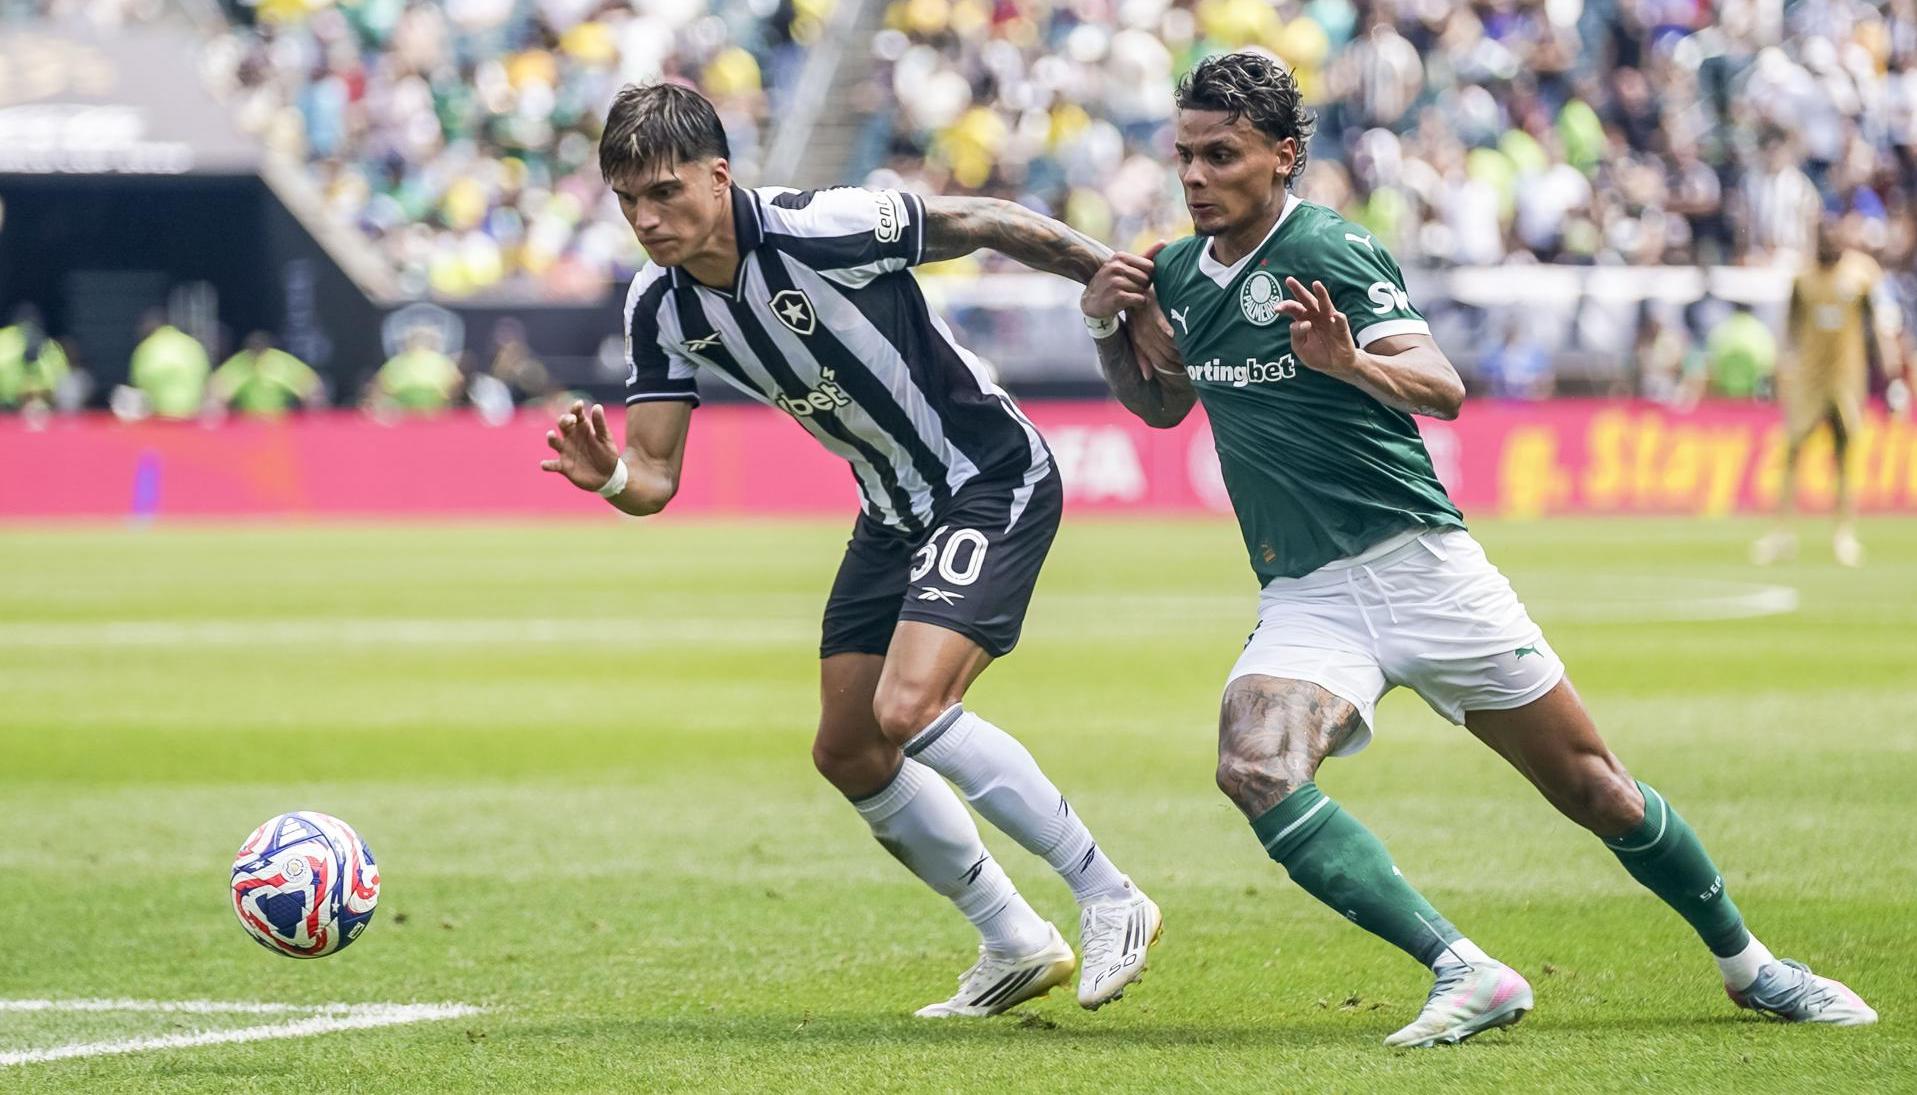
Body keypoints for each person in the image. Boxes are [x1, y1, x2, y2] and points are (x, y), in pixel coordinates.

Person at [1081, 51, 1876, 1049]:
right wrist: (1111, 328)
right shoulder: (1180, 275)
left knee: (1598, 789)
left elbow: (1445, 386)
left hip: (1423, 570)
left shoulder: (1330, 251)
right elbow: (1162, 407)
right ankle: (1466, 970)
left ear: (1283, 157)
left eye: (1221, 155)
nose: (1194, 176)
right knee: (1254, 765)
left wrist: (1348, 360)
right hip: (1308, 594)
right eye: (1184, 155)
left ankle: (1754, 967)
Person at [540, 82, 1169, 1018]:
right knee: (848, 747)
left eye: (664, 193)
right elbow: (655, 480)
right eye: (628, 200)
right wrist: (606, 481)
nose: (646, 219)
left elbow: (987, 219)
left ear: (719, 177)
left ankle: (1109, 892)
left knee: (911, 705)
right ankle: (1011, 937)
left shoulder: (819, 226)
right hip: (891, 509)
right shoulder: (659, 307)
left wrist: (1115, 287)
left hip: (986, 475)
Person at [1752, 220, 1904, 567]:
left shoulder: (1862, 274)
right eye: (1822, 239)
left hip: (1847, 377)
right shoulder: (1802, 279)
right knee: (1792, 450)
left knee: (1845, 452)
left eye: (1833, 239)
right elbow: (1789, 329)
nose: (1828, 246)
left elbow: (1879, 326)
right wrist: (1779, 371)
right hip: (1808, 378)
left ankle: (1844, 534)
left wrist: (1892, 377)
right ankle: (1782, 533)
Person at [209, 332, 325, 415]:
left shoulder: (281, 362)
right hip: (248, 424)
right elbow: (217, 391)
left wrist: (312, 417)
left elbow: (311, 386)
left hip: (280, 423)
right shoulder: (240, 363)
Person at [128, 310, 211, 419]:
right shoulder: (192, 344)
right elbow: (207, 379)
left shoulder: (145, 348)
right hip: (191, 416)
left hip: (160, 418)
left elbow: (138, 384)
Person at [368, 328, 462, 413]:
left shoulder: (441, 361)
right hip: (405, 411)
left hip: (431, 410)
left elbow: (457, 382)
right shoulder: (398, 362)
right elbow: (380, 385)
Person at [0, 304, 70, 412]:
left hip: (42, 409)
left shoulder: (52, 351)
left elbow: (59, 389)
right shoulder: (5, 344)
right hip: (6, 408)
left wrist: (38, 396)